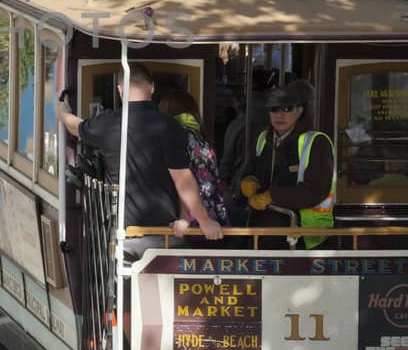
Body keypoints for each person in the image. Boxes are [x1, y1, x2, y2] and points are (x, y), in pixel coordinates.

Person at [56, 62, 221, 258]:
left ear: (120, 90)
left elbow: (76, 127)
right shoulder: (170, 127)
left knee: (124, 287)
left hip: (125, 236)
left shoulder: (108, 123)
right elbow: (182, 179)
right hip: (165, 236)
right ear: (152, 87)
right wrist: (202, 221)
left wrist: (63, 113)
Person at [238, 79, 336, 248]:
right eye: (274, 109)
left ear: (300, 111)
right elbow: (251, 171)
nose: (279, 115)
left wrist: (272, 196)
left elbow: (315, 190)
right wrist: (248, 182)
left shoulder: (316, 142)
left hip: (303, 239)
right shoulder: (262, 138)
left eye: (287, 109)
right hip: (261, 233)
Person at [156, 89, 234, 234]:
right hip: (213, 216)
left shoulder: (178, 135)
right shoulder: (200, 137)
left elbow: (183, 178)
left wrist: (185, 216)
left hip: (194, 220)